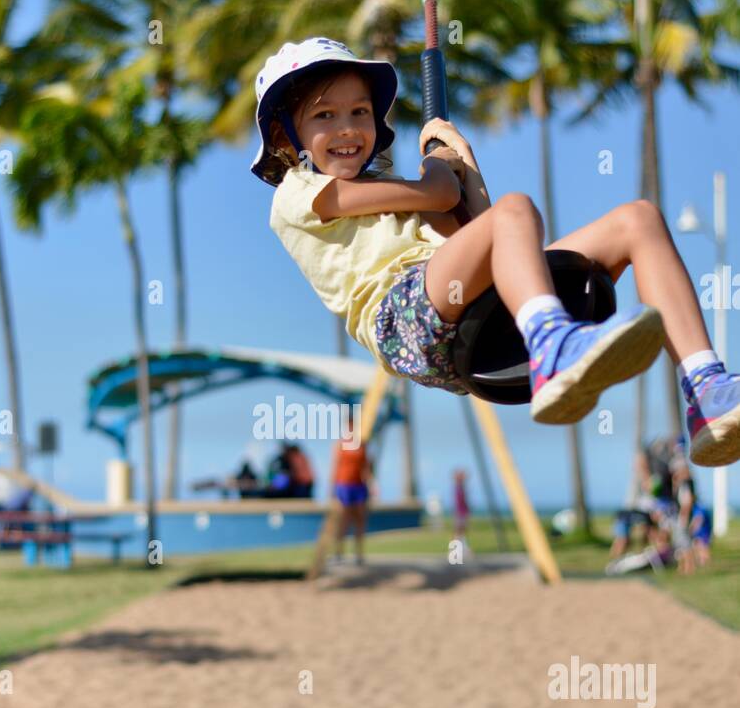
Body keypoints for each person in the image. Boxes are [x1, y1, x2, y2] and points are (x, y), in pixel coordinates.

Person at [251, 38, 740, 467]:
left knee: (638, 220)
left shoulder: (395, 192)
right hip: (400, 319)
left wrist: (465, 162)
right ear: (284, 137)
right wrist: (440, 172)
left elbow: (480, 230)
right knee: (516, 211)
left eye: (360, 112)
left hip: (463, 308)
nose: (348, 128)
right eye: (324, 115)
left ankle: (704, 390)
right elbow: (441, 197)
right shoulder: (296, 194)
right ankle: (553, 348)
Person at [330, 433, 373, 564]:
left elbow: (366, 467)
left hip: (359, 486)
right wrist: (332, 488)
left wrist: (371, 484)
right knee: (342, 520)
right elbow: (335, 466)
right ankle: (338, 553)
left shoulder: (362, 445)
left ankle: (359, 555)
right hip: (344, 486)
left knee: (359, 520)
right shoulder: (339, 444)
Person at [452, 469, 470, 548]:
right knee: (459, 531)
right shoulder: (458, 488)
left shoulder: (461, 487)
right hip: (460, 512)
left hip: (462, 512)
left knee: (461, 532)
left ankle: (463, 547)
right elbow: (460, 501)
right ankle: (456, 549)